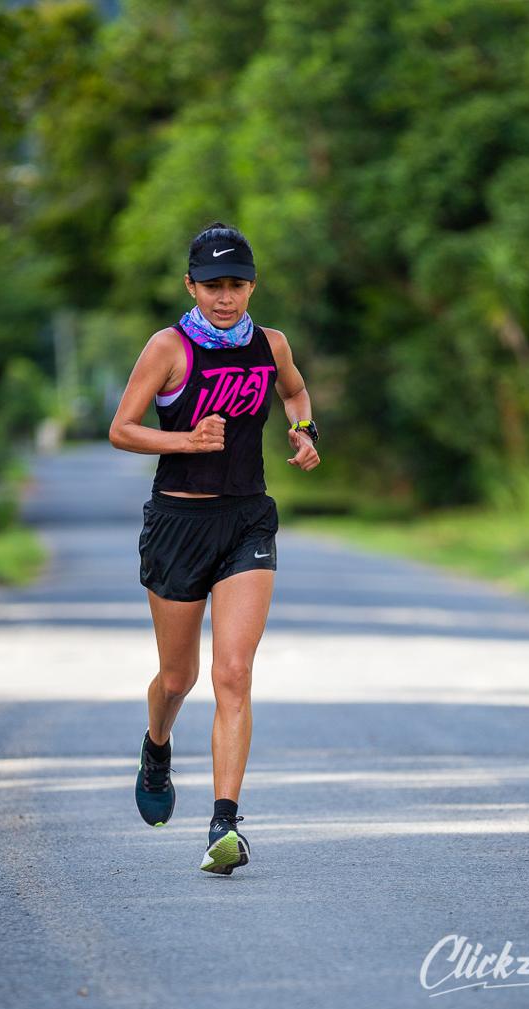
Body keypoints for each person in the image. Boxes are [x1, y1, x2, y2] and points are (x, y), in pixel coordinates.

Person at [108, 221, 321, 875]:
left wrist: (304, 431)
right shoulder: (167, 348)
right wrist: (184, 442)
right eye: (211, 286)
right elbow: (122, 429)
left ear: (251, 285)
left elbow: (294, 390)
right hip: (177, 523)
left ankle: (224, 825)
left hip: (246, 522)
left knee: (232, 674)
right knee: (179, 679)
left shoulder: (270, 343)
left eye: (234, 285)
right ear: (190, 286)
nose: (224, 298)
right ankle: (157, 744)